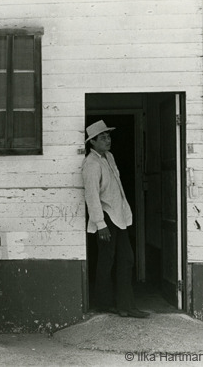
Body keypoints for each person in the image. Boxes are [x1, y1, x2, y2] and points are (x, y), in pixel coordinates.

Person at [82, 120, 149, 318]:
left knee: (125, 259)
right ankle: (107, 304)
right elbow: (91, 195)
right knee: (107, 261)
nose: (107, 140)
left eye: (108, 136)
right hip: (106, 218)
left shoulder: (109, 157)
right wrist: (100, 224)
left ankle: (124, 306)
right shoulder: (91, 164)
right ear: (92, 142)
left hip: (119, 216)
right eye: (102, 138)